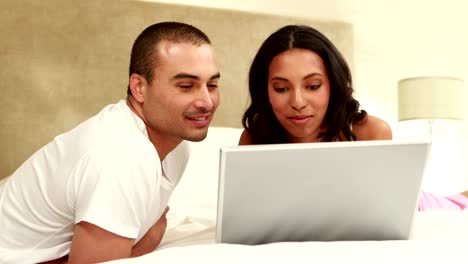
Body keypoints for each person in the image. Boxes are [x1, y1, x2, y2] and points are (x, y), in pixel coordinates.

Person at [0, 21, 220, 263]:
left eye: (212, 85)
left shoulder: (177, 147)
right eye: (186, 86)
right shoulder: (121, 155)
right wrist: (147, 242)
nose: (207, 102)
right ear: (139, 87)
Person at [239, 24, 468, 210]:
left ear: (332, 86)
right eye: (281, 88)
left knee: (458, 204)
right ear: (264, 91)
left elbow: (385, 211)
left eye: (313, 85)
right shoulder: (253, 139)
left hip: (414, 204)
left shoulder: (371, 132)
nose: (298, 102)